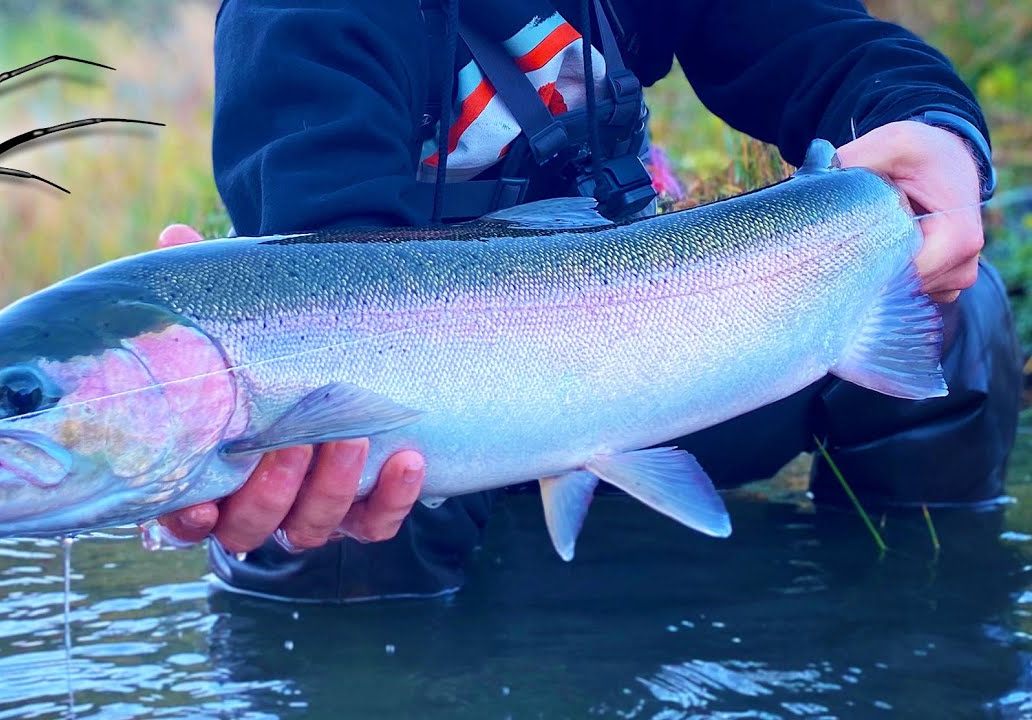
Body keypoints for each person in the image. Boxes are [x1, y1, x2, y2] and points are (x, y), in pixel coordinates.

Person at [149, 0, 1022, 601]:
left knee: (952, 308)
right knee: (312, 531)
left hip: (649, 359)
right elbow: (329, 292)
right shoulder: (293, 21)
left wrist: (934, 130)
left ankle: (910, 620)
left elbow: (830, 48)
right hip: (434, 431)